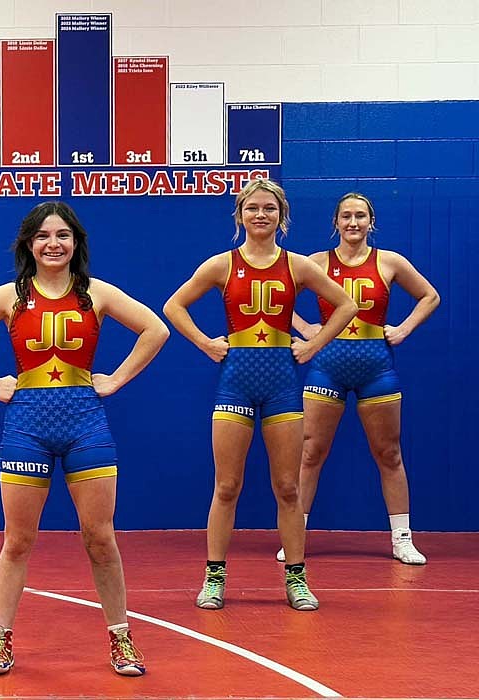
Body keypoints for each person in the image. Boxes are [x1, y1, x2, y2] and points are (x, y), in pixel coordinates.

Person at [0, 201, 168, 677]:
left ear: (76, 243)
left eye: (62, 235)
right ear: (29, 244)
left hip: (86, 422)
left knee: (100, 537)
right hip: (27, 424)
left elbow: (155, 329)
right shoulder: (10, 296)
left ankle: (122, 639)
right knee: (18, 541)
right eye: (43, 236)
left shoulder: (96, 293)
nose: (53, 243)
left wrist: (116, 379)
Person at [163, 179, 357, 612]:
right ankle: (214, 576)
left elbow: (346, 305)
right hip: (236, 381)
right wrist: (206, 343)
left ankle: (297, 579)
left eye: (269, 208)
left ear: (281, 215)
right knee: (227, 485)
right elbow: (174, 306)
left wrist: (311, 345)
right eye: (253, 208)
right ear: (240, 215)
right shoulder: (222, 265)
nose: (261, 215)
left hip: (282, 383)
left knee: (288, 487)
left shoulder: (299, 266)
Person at [274, 193, 440, 565]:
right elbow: (278, 301)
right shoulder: (316, 263)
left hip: (375, 366)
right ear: (335, 222)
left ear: (371, 222)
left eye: (360, 216)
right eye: (346, 216)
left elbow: (429, 296)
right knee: (311, 451)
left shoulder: (389, 262)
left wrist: (403, 330)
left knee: (389, 453)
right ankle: (294, 535)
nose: (353, 222)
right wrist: (305, 330)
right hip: (327, 364)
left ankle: (401, 538)